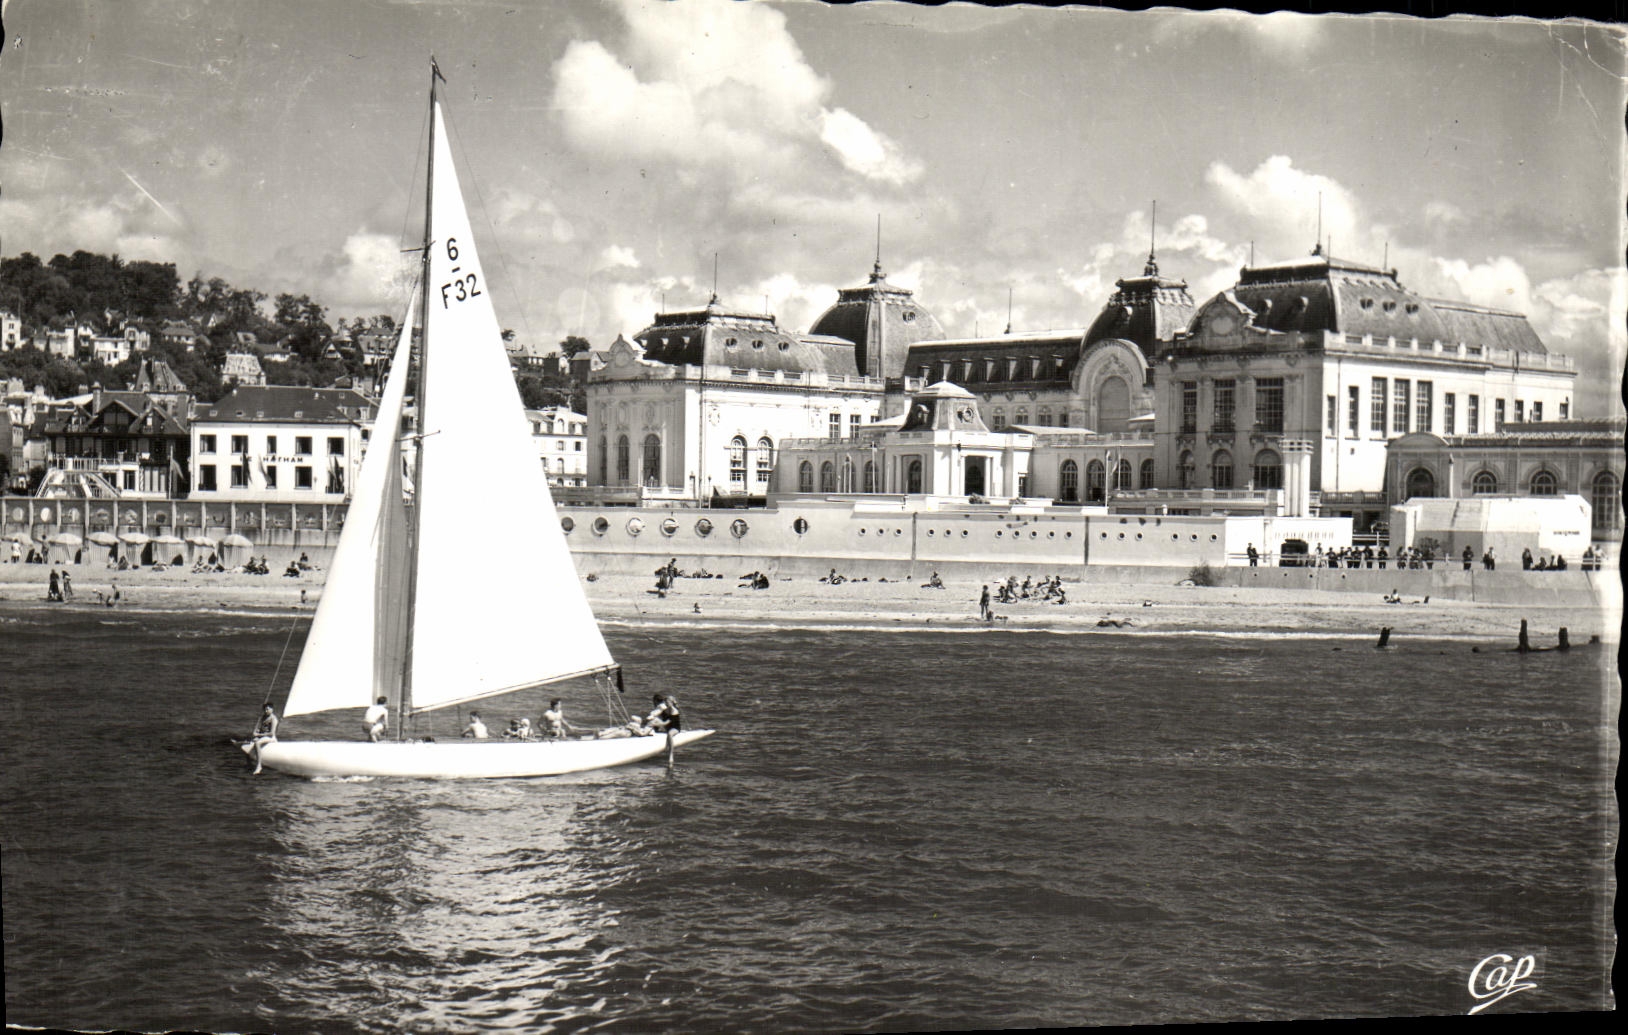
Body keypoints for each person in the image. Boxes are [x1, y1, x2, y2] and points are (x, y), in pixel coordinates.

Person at [248, 704, 279, 774]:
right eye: (265, 709)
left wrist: (258, 735)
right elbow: (262, 728)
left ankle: (259, 766)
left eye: (268, 709)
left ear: (272, 709)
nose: (266, 711)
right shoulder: (263, 717)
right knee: (251, 742)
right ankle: (249, 765)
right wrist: (256, 732)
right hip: (263, 736)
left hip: (271, 738)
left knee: (257, 743)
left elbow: (271, 733)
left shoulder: (274, 719)